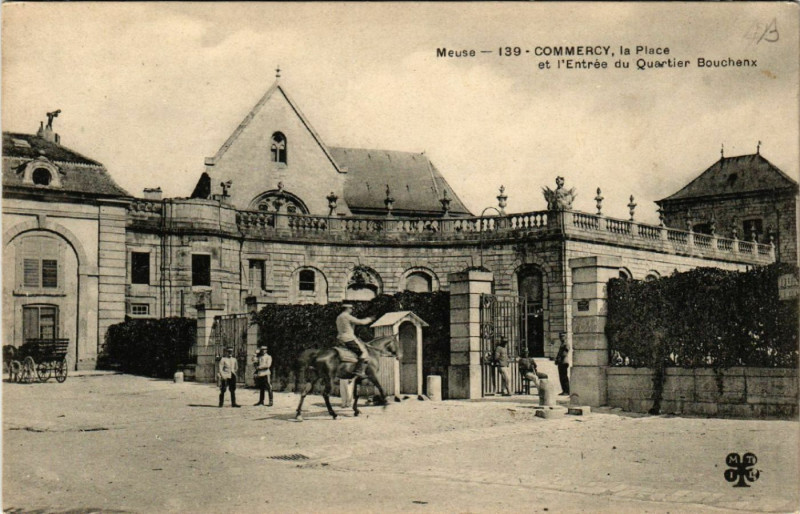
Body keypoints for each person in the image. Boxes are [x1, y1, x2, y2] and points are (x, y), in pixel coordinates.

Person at [336, 303, 374, 379]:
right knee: (363, 353)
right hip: (349, 338)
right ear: (347, 309)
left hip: (340, 338)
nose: (351, 310)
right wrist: (370, 319)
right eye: (351, 309)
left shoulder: (338, 317)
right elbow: (361, 322)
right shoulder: (347, 316)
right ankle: (359, 370)